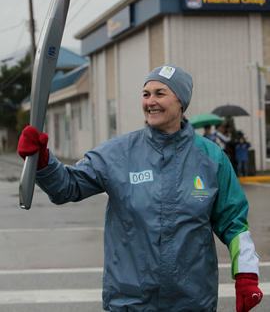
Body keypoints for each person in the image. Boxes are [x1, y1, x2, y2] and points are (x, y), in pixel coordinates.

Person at [17, 64, 263, 312]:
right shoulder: (117, 153)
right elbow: (66, 187)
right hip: (130, 301)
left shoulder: (211, 158)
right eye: (146, 94)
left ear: (181, 101)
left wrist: (247, 276)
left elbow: (234, 222)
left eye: (160, 93)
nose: (150, 101)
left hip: (192, 301)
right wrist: (44, 162)